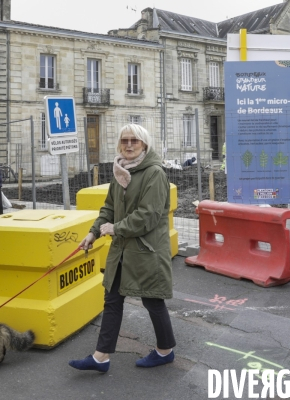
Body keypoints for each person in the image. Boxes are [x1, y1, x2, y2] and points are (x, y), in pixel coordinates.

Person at [69, 124, 176, 373]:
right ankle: (101, 357)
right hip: (122, 250)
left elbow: (148, 216)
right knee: (113, 300)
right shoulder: (121, 171)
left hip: (146, 250)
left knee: (152, 300)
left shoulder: (154, 173)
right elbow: (109, 207)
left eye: (134, 141)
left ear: (144, 145)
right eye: (124, 140)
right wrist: (93, 232)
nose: (128, 145)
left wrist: (116, 228)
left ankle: (165, 351)